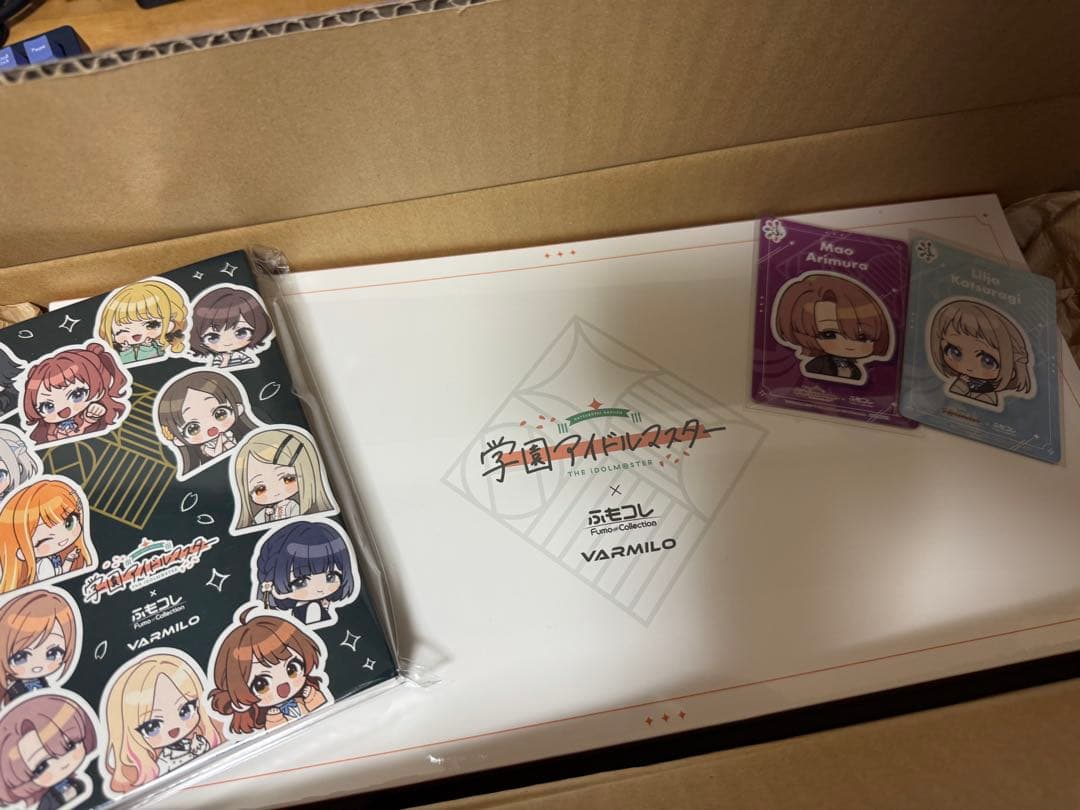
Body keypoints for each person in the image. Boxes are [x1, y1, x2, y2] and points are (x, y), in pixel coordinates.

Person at [101, 651, 225, 793]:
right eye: (152, 727)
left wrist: (201, 747)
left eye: (185, 710)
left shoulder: (197, 741)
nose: (174, 730)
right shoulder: (163, 762)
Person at [772, 272, 893, 385]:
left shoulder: (854, 369)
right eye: (829, 335)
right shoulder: (817, 365)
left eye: (862, 337)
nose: (848, 344)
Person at [929, 298, 1034, 409]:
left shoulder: (987, 393)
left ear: (1012, 369)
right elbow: (955, 393)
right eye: (955, 352)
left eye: (987, 361)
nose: (968, 366)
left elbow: (979, 411)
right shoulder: (963, 380)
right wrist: (962, 384)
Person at [0, 692, 97, 810]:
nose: (62, 763)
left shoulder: (94, 770)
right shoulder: (47, 802)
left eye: (70, 745)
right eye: (41, 767)